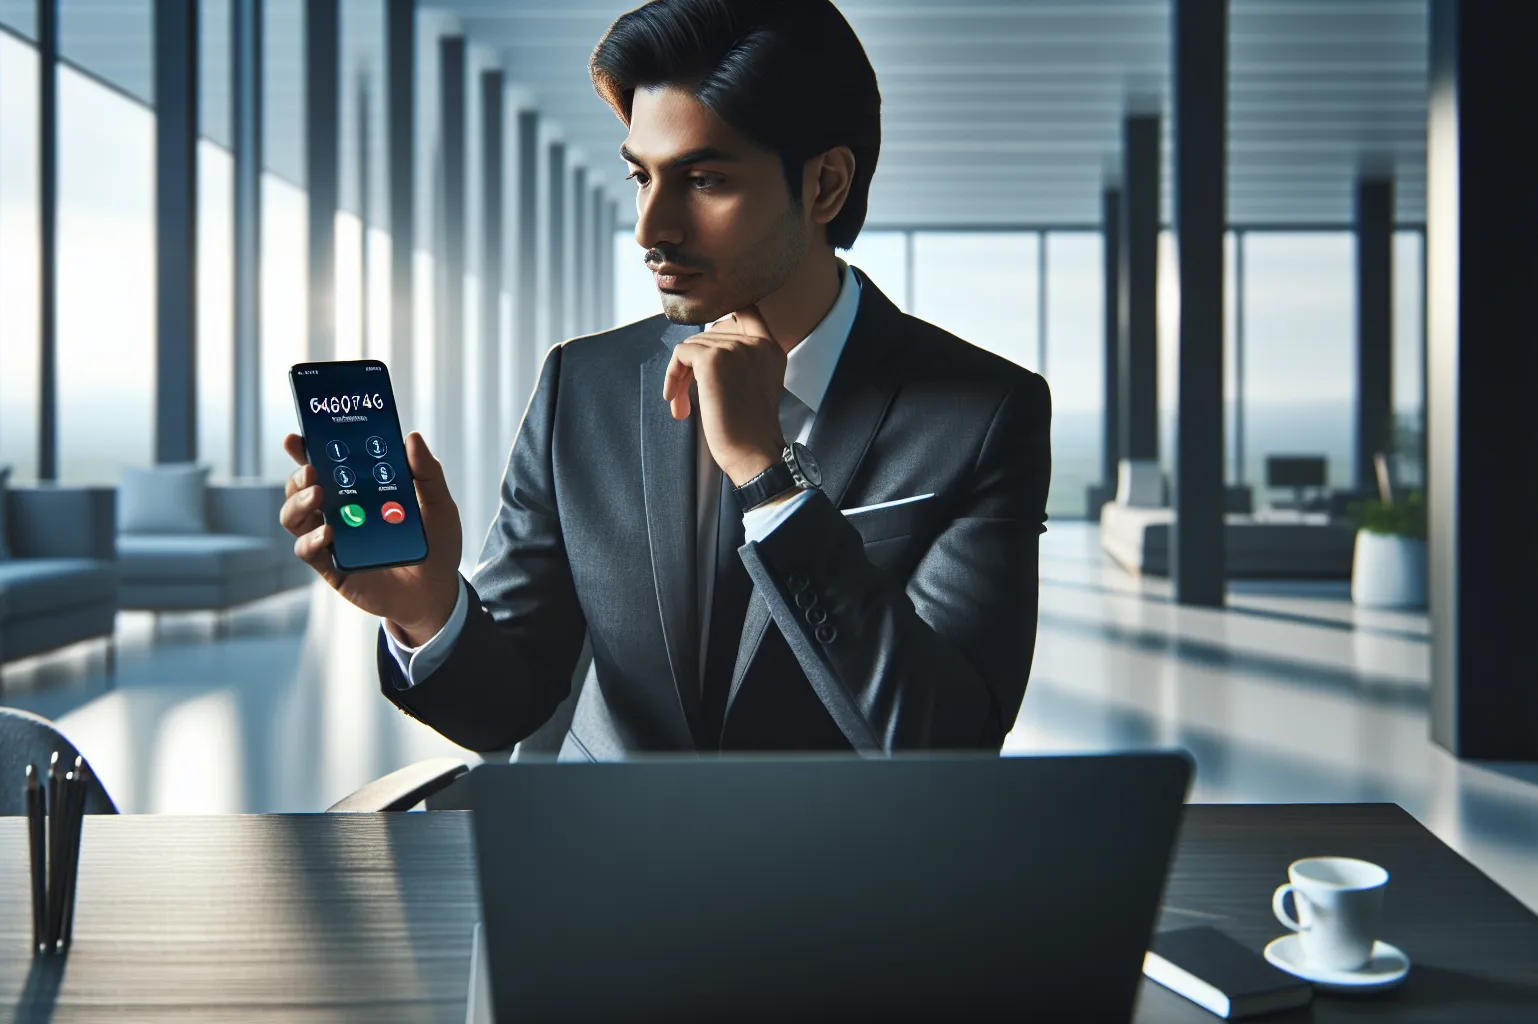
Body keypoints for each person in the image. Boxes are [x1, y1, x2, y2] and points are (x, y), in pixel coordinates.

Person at [279, 0, 1051, 757]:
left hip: (842, 870)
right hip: (597, 864)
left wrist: (770, 480)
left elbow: (950, 741)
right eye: (641, 178)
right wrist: (428, 610)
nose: (652, 227)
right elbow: (509, 705)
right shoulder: (581, 387)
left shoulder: (982, 415)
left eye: (704, 180)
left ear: (824, 187)